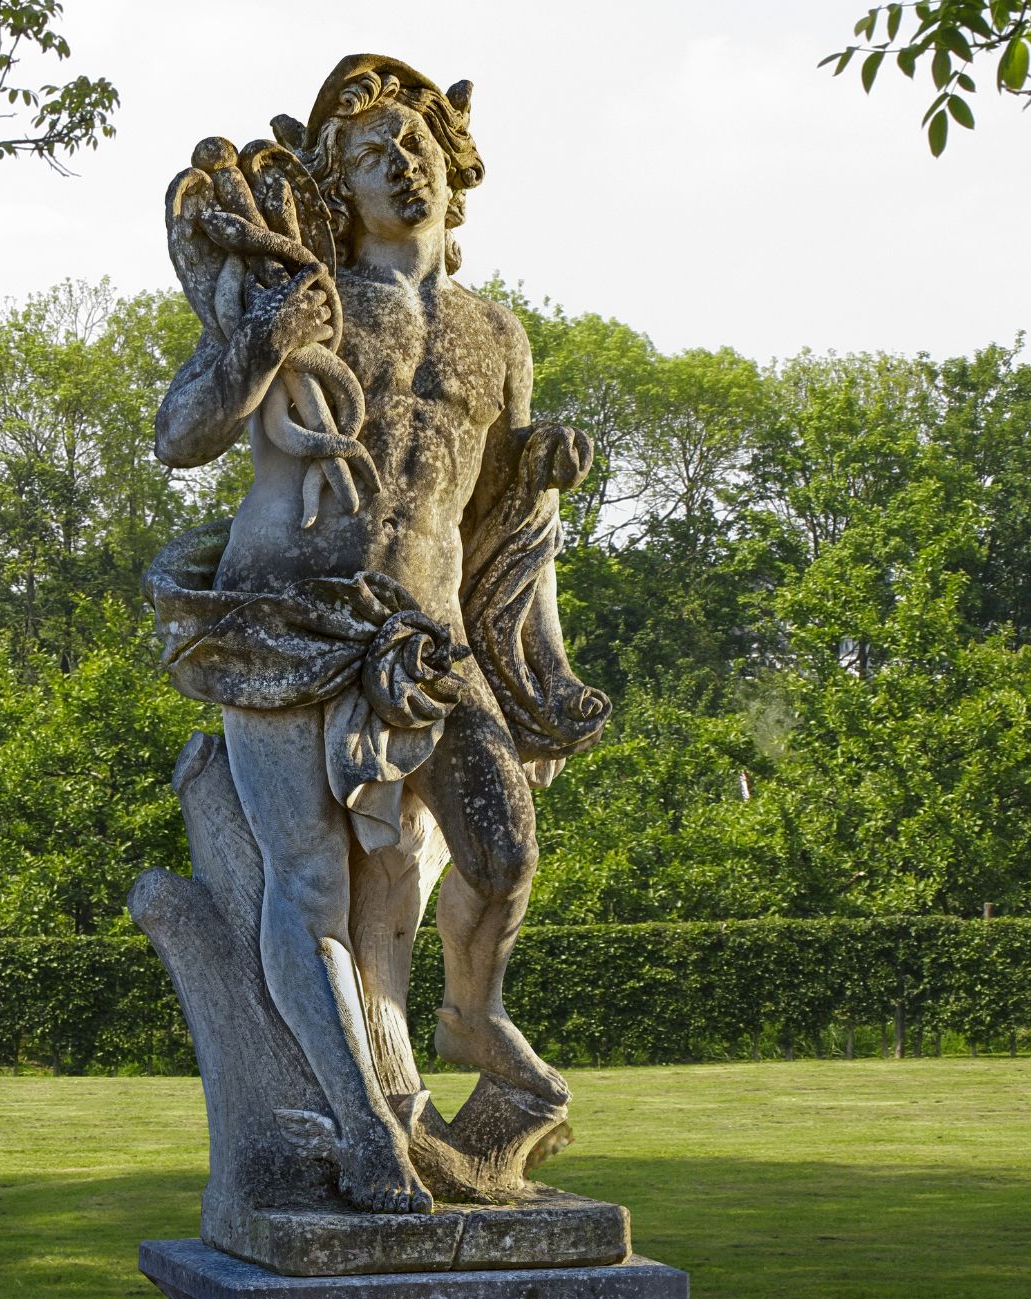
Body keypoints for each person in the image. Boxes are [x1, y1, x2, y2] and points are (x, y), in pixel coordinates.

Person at [153, 55, 605, 1214]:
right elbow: (181, 434)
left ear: (452, 176)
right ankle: (365, 1130)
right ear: (336, 188)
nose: (395, 165)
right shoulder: (303, 295)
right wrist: (261, 341)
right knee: (306, 883)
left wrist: (535, 471)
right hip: (284, 619)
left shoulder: (494, 336)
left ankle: (475, 1013)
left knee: (501, 855)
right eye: (366, 155)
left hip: (429, 636)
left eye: (413, 147)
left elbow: (484, 509)